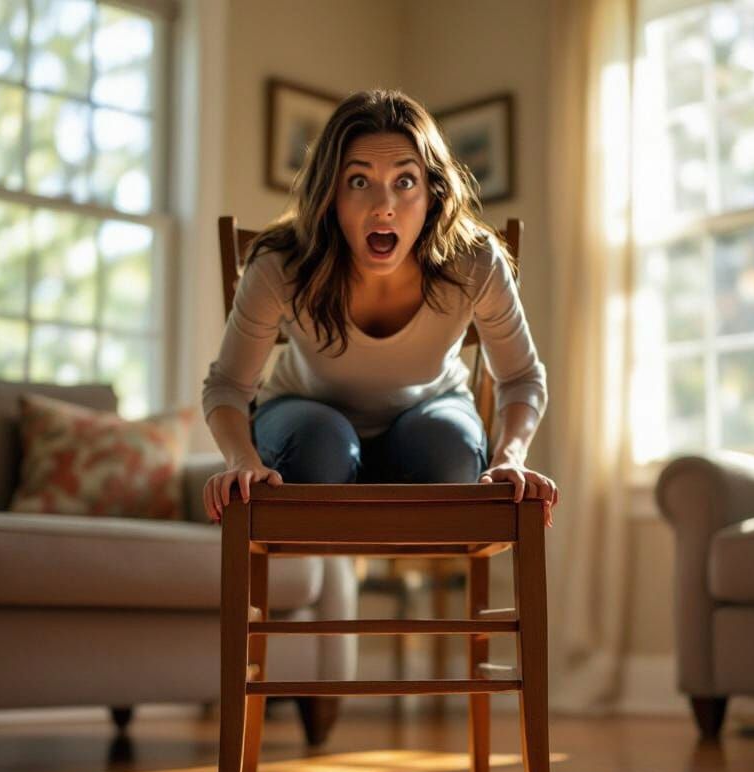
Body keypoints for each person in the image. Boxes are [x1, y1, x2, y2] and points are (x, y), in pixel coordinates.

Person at [202, 88, 559, 526]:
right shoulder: (282, 263)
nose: (383, 207)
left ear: (432, 193)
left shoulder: (476, 261)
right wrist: (240, 460)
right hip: (305, 421)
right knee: (321, 449)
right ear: (331, 195)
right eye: (358, 181)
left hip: (431, 413)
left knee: (451, 453)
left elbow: (522, 376)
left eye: (404, 182)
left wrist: (510, 456)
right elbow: (228, 387)